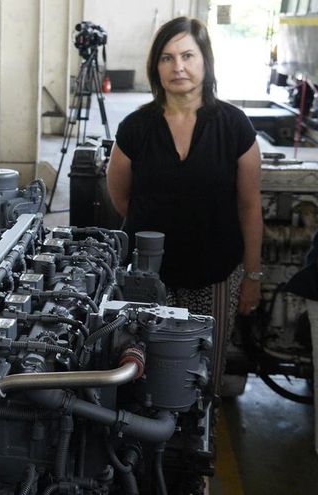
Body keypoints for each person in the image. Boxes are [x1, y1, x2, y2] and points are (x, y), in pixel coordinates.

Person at [106, 17, 263, 396]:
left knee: (203, 370)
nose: (178, 67)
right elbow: (121, 198)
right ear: (155, 67)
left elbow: (249, 207)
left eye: (188, 55)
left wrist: (253, 277)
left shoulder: (235, 126)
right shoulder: (135, 127)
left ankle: (198, 446)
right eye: (167, 57)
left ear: (205, 62)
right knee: (142, 370)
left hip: (214, 273)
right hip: (147, 277)